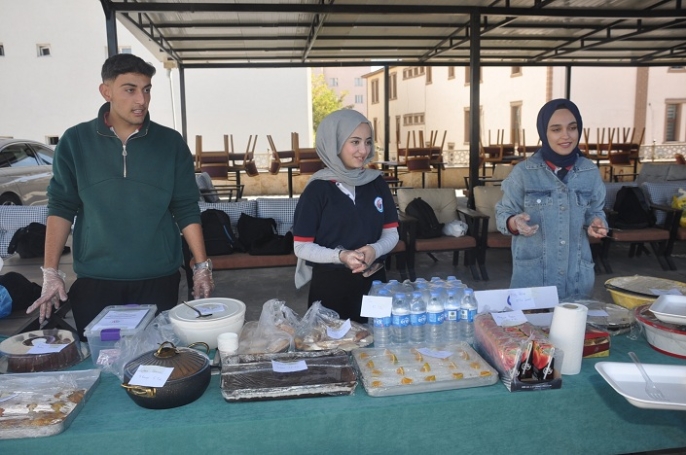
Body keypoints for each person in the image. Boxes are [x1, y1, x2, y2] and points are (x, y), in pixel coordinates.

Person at [27, 53, 213, 336]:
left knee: (155, 355)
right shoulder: (75, 141)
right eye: (130, 89)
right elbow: (61, 207)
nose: (141, 100)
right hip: (96, 279)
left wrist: (201, 266)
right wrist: (51, 272)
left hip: (158, 277)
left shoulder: (171, 143)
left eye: (146, 89)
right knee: (101, 356)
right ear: (106, 91)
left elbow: (186, 207)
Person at [292, 109, 399, 322]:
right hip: (331, 287)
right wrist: (341, 256)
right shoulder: (318, 190)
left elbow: (392, 234)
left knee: (377, 339)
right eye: (355, 142)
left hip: (374, 283)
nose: (363, 150)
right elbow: (301, 246)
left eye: (368, 142)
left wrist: (375, 250)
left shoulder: (376, 183)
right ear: (335, 144)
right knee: (332, 340)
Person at [495, 98, 607, 300]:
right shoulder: (524, 172)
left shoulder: (589, 172)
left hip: (576, 280)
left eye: (572, 128)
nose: (566, 135)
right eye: (556, 129)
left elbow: (595, 211)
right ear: (543, 133)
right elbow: (503, 213)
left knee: (573, 320)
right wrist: (514, 222)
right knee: (532, 322)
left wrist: (596, 222)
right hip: (532, 281)